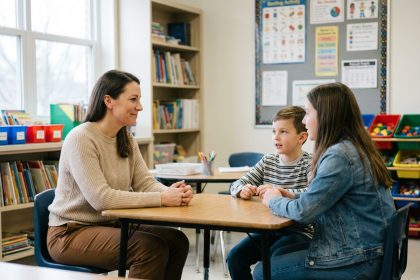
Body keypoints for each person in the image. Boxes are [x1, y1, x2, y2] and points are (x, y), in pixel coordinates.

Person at [47, 70, 193, 280]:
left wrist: (172, 193)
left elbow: (144, 183)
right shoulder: (81, 138)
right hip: (69, 233)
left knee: (177, 240)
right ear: (109, 101)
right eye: (133, 99)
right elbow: (101, 199)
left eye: (139, 100)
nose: (140, 107)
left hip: (110, 224)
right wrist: (162, 198)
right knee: (149, 248)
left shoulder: (125, 138)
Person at [255, 82, 396, 280]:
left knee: (263, 272)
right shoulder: (354, 147)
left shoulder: (339, 155)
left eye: (308, 113)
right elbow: (325, 195)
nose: (304, 120)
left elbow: (305, 213)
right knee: (278, 255)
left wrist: (273, 200)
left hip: (357, 260)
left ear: (326, 115)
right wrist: (293, 195)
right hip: (369, 251)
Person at [227, 106, 313, 280]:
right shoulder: (268, 161)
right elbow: (237, 183)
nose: (276, 137)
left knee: (268, 265)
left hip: (298, 232)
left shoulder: (310, 163)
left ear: (301, 137)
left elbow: (312, 193)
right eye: (274, 131)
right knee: (235, 258)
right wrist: (242, 190)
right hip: (267, 230)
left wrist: (280, 192)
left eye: (283, 131)